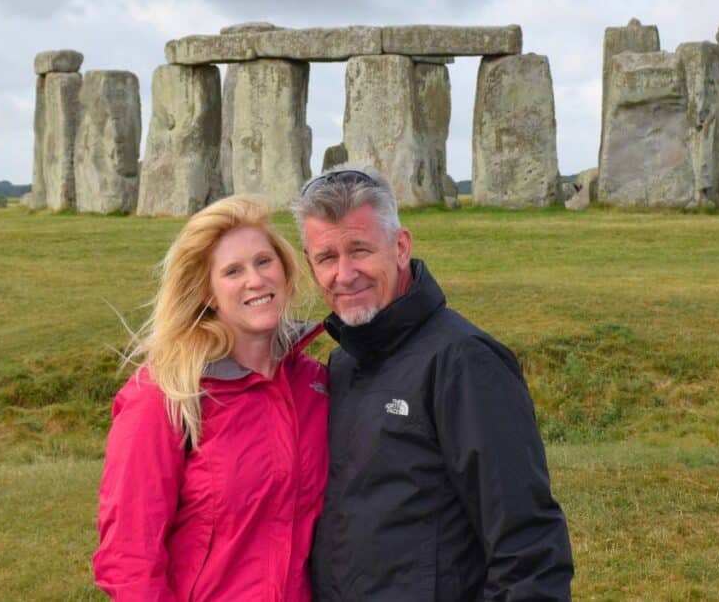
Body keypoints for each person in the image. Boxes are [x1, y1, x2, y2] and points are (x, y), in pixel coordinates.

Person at [294, 167, 574, 601]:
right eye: (327, 258)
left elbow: (529, 550)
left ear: (400, 246)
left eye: (360, 250)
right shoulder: (344, 362)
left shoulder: (466, 362)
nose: (344, 274)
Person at [93, 195, 330, 601]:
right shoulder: (166, 393)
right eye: (232, 271)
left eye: (263, 261)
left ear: (286, 268)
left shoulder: (314, 385)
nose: (255, 280)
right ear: (206, 293)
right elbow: (130, 556)